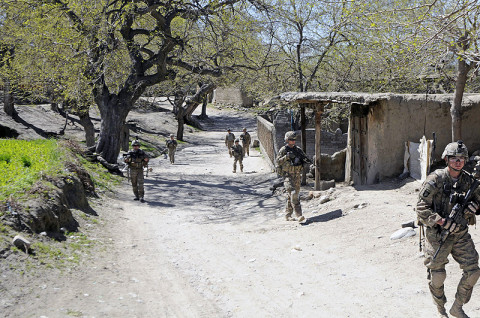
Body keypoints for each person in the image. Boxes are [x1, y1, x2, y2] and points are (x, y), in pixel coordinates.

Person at [417, 140, 480, 318]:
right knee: (437, 275)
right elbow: (421, 207)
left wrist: (474, 206)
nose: (458, 162)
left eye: (462, 158)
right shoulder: (435, 179)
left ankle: (457, 307)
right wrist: (442, 222)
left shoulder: (469, 180)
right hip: (438, 235)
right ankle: (440, 309)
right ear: (446, 159)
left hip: (460, 233)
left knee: (473, 271)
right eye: (454, 158)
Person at [276, 131, 310, 222]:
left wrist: (304, 161)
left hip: (297, 176)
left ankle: (288, 215)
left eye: (294, 140)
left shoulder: (298, 149)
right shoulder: (283, 150)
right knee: (293, 194)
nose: (293, 141)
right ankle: (299, 215)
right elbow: (278, 161)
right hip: (288, 176)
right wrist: (286, 157)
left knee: (290, 196)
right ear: (287, 140)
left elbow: (305, 159)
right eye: (291, 140)